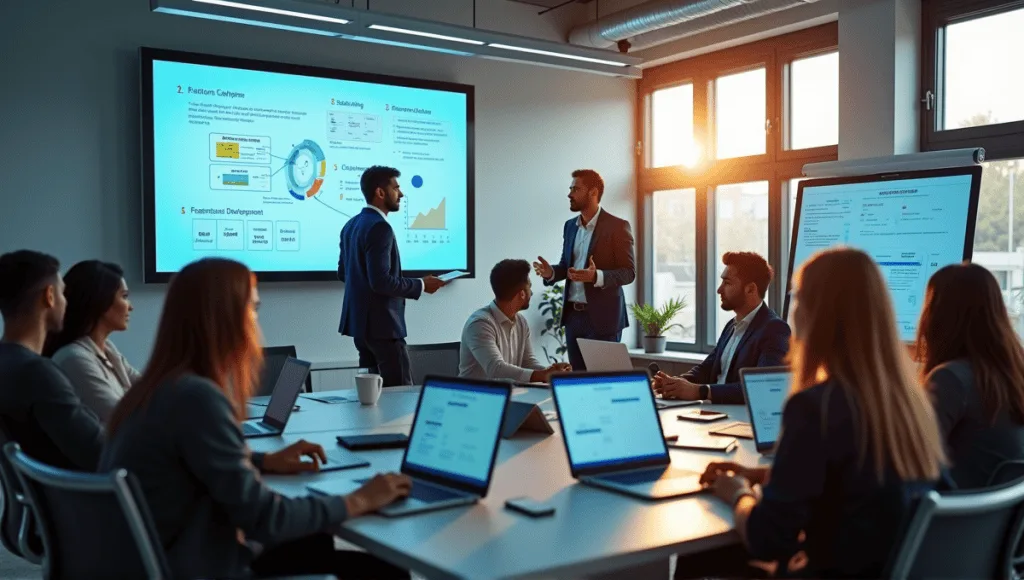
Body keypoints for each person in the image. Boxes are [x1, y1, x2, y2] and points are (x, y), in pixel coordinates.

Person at [100, 257, 410, 579]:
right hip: (200, 567)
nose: (256, 324)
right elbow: (265, 518)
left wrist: (262, 460)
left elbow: (190, 460)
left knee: (316, 542)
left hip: (169, 559)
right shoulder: (195, 398)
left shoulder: (160, 389)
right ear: (227, 318)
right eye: (254, 309)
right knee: (385, 572)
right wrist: (360, 498)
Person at [691, 248, 945, 579]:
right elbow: (860, 487)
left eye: (798, 300)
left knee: (700, 557)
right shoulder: (912, 404)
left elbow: (766, 538)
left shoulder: (815, 407)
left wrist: (736, 492)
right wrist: (765, 477)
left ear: (811, 314)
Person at [917, 263, 1024, 489]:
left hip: (946, 518)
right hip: (987, 521)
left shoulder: (951, 380)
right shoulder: (1013, 375)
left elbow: (908, 461)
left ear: (939, 316)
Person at [338, 166, 445, 387]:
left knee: (370, 397)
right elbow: (381, 281)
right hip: (384, 329)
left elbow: (343, 273)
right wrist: (421, 285)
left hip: (361, 330)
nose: (401, 194)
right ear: (380, 193)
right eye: (396, 188)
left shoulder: (350, 226)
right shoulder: (380, 228)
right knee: (400, 397)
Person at [0, 250, 103, 470]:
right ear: (49, 296)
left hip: (45, 501)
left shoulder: (7, 363)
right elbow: (99, 452)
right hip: (86, 499)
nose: (66, 303)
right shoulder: (38, 374)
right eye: (63, 294)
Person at [653, 252, 790, 404]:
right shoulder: (731, 326)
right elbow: (707, 368)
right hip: (713, 412)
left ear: (751, 289)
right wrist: (674, 383)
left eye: (727, 283)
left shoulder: (775, 329)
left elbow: (763, 387)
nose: (719, 290)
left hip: (740, 420)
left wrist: (700, 391)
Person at [533, 169, 635, 371]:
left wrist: (596, 276)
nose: (570, 194)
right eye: (570, 189)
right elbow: (566, 267)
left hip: (604, 319)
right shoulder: (570, 226)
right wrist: (551, 273)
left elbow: (629, 272)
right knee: (577, 381)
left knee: (603, 382)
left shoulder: (617, 226)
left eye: (576, 189)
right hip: (574, 318)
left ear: (593, 192)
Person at [44, 260, 139, 422]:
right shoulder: (74, 358)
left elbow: (151, 389)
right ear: (101, 301)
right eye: (124, 297)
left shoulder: (108, 349)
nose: (130, 307)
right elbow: (121, 417)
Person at [459, 259, 571, 383]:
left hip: (509, 395)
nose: (532, 293)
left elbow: (527, 362)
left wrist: (552, 373)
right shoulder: (480, 324)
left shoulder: (521, 321)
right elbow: (496, 368)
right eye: (530, 287)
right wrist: (543, 375)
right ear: (522, 294)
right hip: (476, 398)